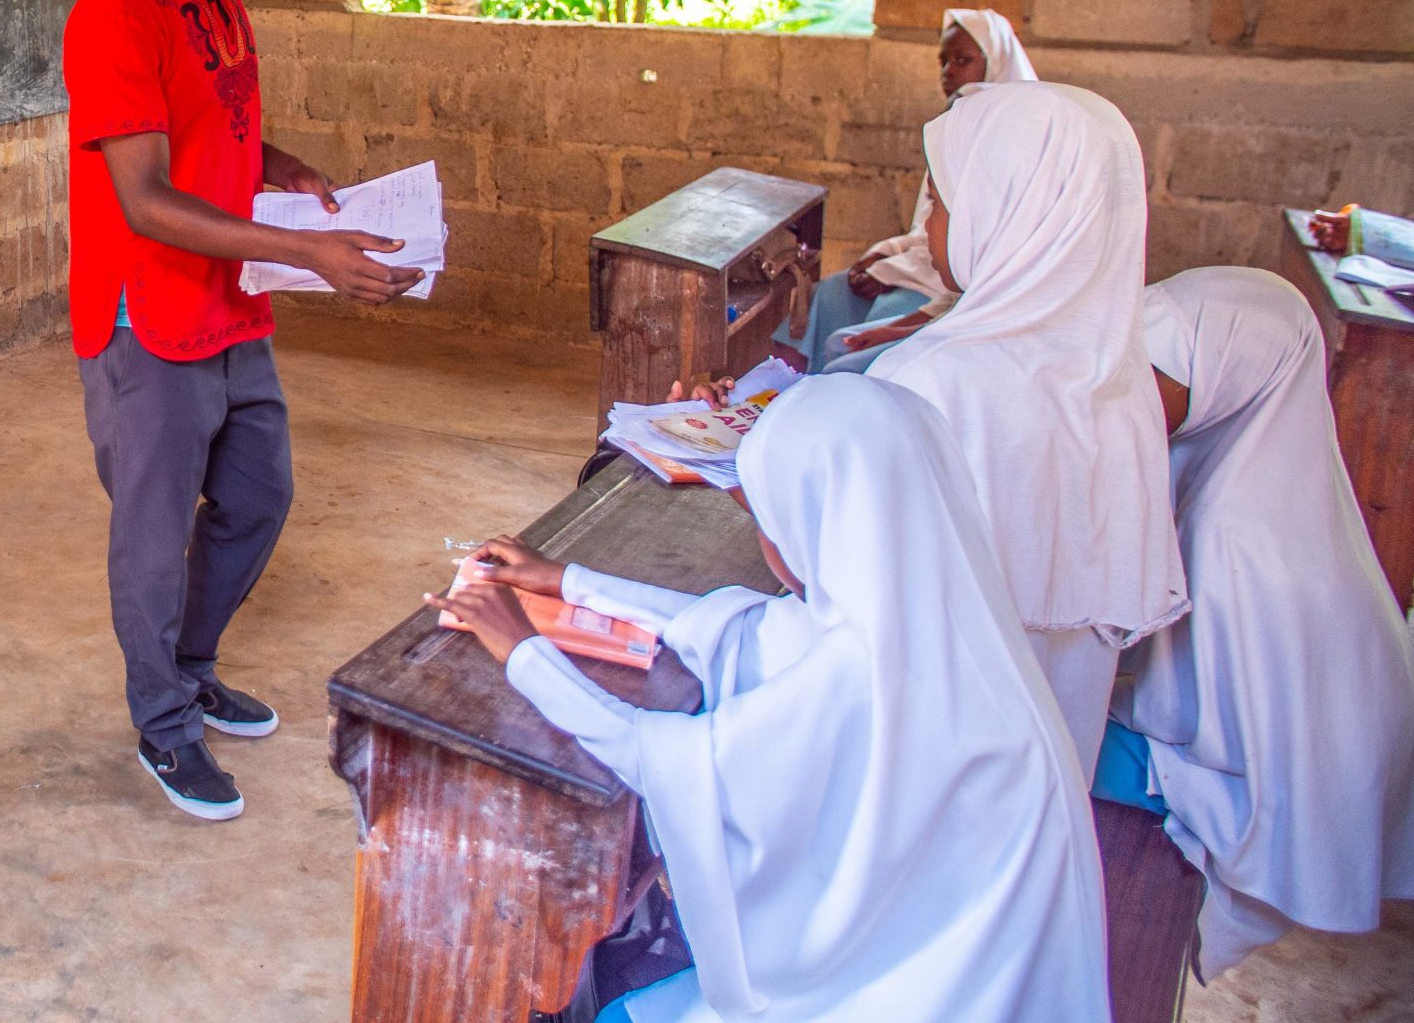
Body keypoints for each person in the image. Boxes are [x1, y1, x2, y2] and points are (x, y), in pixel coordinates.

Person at [433, 375, 1109, 1023]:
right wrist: (568, 581)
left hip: (922, 991)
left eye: (765, 511)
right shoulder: (943, 613)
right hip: (972, 964)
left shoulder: (857, 666)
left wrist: (523, 651)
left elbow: (662, 758)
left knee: (622, 1010)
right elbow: (744, 629)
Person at [67, 0, 424, 820]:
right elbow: (144, 197)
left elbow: (204, 139)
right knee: (149, 532)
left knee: (258, 495)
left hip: (231, 300)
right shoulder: (116, 12)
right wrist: (306, 250)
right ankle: (163, 723)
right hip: (150, 315)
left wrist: (280, 167)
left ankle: (189, 664)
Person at [1098, 267, 1414, 980]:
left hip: (1261, 790)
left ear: (1227, 378)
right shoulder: (1272, 476)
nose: (1132, 394)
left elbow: (1181, 713)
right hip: (1296, 760)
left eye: (1154, 375)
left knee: (1038, 742)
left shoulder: (1234, 533)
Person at [866, 81, 1183, 773]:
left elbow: (849, 585)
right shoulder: (1120, 382)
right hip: (1053, 796)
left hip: (934, 774)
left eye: (942, 205)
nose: (926, 231)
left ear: (1007, 213)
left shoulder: (931, 380)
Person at [783, 8, 1036, 373]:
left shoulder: (1009, 141)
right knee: (832, 295)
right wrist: (883, 255)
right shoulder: (955, 126)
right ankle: (792, 389)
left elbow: (968, 247)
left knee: (882, 318)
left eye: (962, 61)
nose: (948, 72)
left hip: (945, 279)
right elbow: (927, 226)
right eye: (943, 62)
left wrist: (891, 271)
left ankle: (829, 397)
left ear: (996, 61)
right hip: (925, 265)